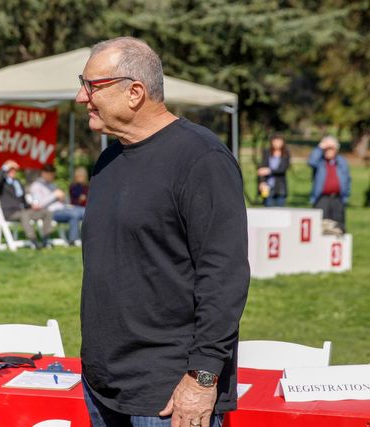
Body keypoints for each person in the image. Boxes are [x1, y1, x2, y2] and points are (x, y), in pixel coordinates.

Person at [76, 37, 249, 427]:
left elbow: (223, 277)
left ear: (135, 92)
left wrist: (203, 377)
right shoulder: (109, 159)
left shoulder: (201, 158)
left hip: (169, 393)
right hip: (102, 386)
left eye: (91, 86)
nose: (81, 97)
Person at [0, 159, 54, 249]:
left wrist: (31, 206)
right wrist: (6, 166)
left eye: (14, 170)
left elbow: (22, 200)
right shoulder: (2, 183)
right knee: (24, 215)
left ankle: (45, 238)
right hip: (11, 212)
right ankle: (33, 240)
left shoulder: (17, 182)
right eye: (10, 170)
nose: (13, 172)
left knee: (47, 212)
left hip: (24, 210)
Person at [28, 164, 85, 245]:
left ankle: (89, 236)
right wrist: (54, 195)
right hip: (51, 212)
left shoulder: (52, 185)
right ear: (44, 173)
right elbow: (38, 205)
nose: (53, 177)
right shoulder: (36, 186)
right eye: (51, 175)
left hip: (63, 208)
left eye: (53, 175)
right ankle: (73, 240)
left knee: (87, 211)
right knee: (74, 214)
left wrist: (63, 198)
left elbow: (65, 201)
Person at [308, 135, 351, 232]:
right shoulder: (320, 162)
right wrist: (320, 146)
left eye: (331, 149)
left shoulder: (341, 162)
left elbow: (348, 179)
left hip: (338, 198)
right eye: (326, 149)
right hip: (322, 198)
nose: (329, 151)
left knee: (338, 227)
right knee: (320, 226)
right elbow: (311, 161)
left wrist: (346, 196)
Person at [257, 133, 291, 207]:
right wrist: (262, 182)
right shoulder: (267, 152)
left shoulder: (286, 153)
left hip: (280, 188)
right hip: (267, 187)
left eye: (279, 141)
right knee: (268, 209)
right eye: (275, 141)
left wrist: (269, 171)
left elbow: (283, 169)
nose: (277, 143)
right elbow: (261, 169)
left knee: (279, 210)